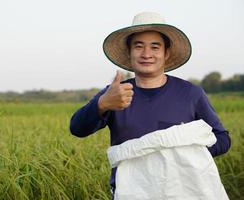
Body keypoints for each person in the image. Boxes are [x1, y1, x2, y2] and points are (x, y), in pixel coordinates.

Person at [69, 11, 231, 197]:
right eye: (139, 46)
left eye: (155, 47)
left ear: (166, 53)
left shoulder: (191, 93)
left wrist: (180, 148)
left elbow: (223, 139)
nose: (147, 54)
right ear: (129, 52)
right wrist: (102, 104)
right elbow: (77, 128)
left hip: (183, 191)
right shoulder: (115, 93)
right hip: (131, 192)